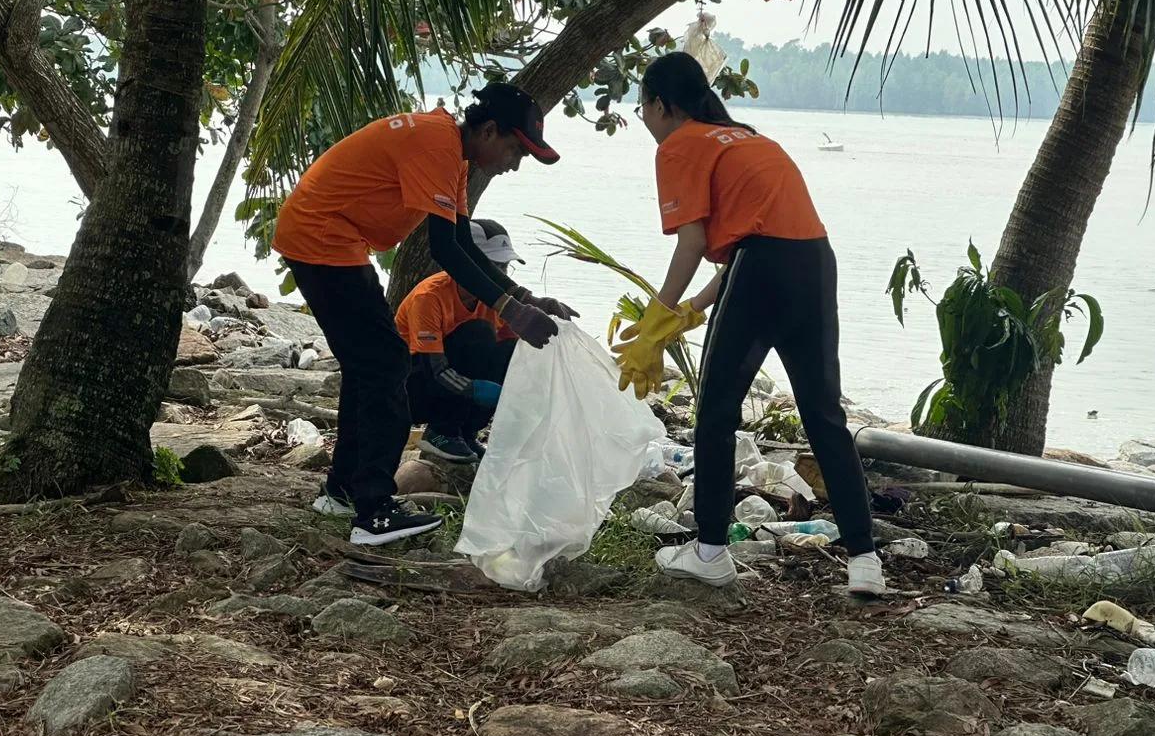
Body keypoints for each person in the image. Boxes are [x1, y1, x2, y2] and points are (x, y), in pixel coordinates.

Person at [615, 51, 884, 595]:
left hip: (763, 268)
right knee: (823, 413)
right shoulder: (751, 139)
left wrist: (652, 322)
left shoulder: (680, 145)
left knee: (716, 409)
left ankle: (711, 549)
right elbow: (754, 249)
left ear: (662, 105)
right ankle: (865, 560)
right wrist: (689, 313)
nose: (644, 120)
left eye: (642, 107)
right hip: (814, 263)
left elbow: (697, 245)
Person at [273, 84, 576, 545]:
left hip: (337, 238)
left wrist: (525, 298)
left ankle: (341, 492)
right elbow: (443, 251)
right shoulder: (436, 144)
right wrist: (512, 309)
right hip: (322, 235)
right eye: (516, 149)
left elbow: (460, 243)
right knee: (386, 364)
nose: (514, 163)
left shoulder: (452, 153)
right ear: (489, 130)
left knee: (368, 365)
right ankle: (373, 511)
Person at [397, 219, 523, 464]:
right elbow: (434, 367)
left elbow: (512, 349)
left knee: (511, 350)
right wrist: (473, 389)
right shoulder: (430, 297)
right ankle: (442, 430)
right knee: (479, 333)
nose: (500, 275)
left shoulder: (497, 301)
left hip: (451, 383)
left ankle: (466, 433)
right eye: (494, 266)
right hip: (412, 387)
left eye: (504, 267)